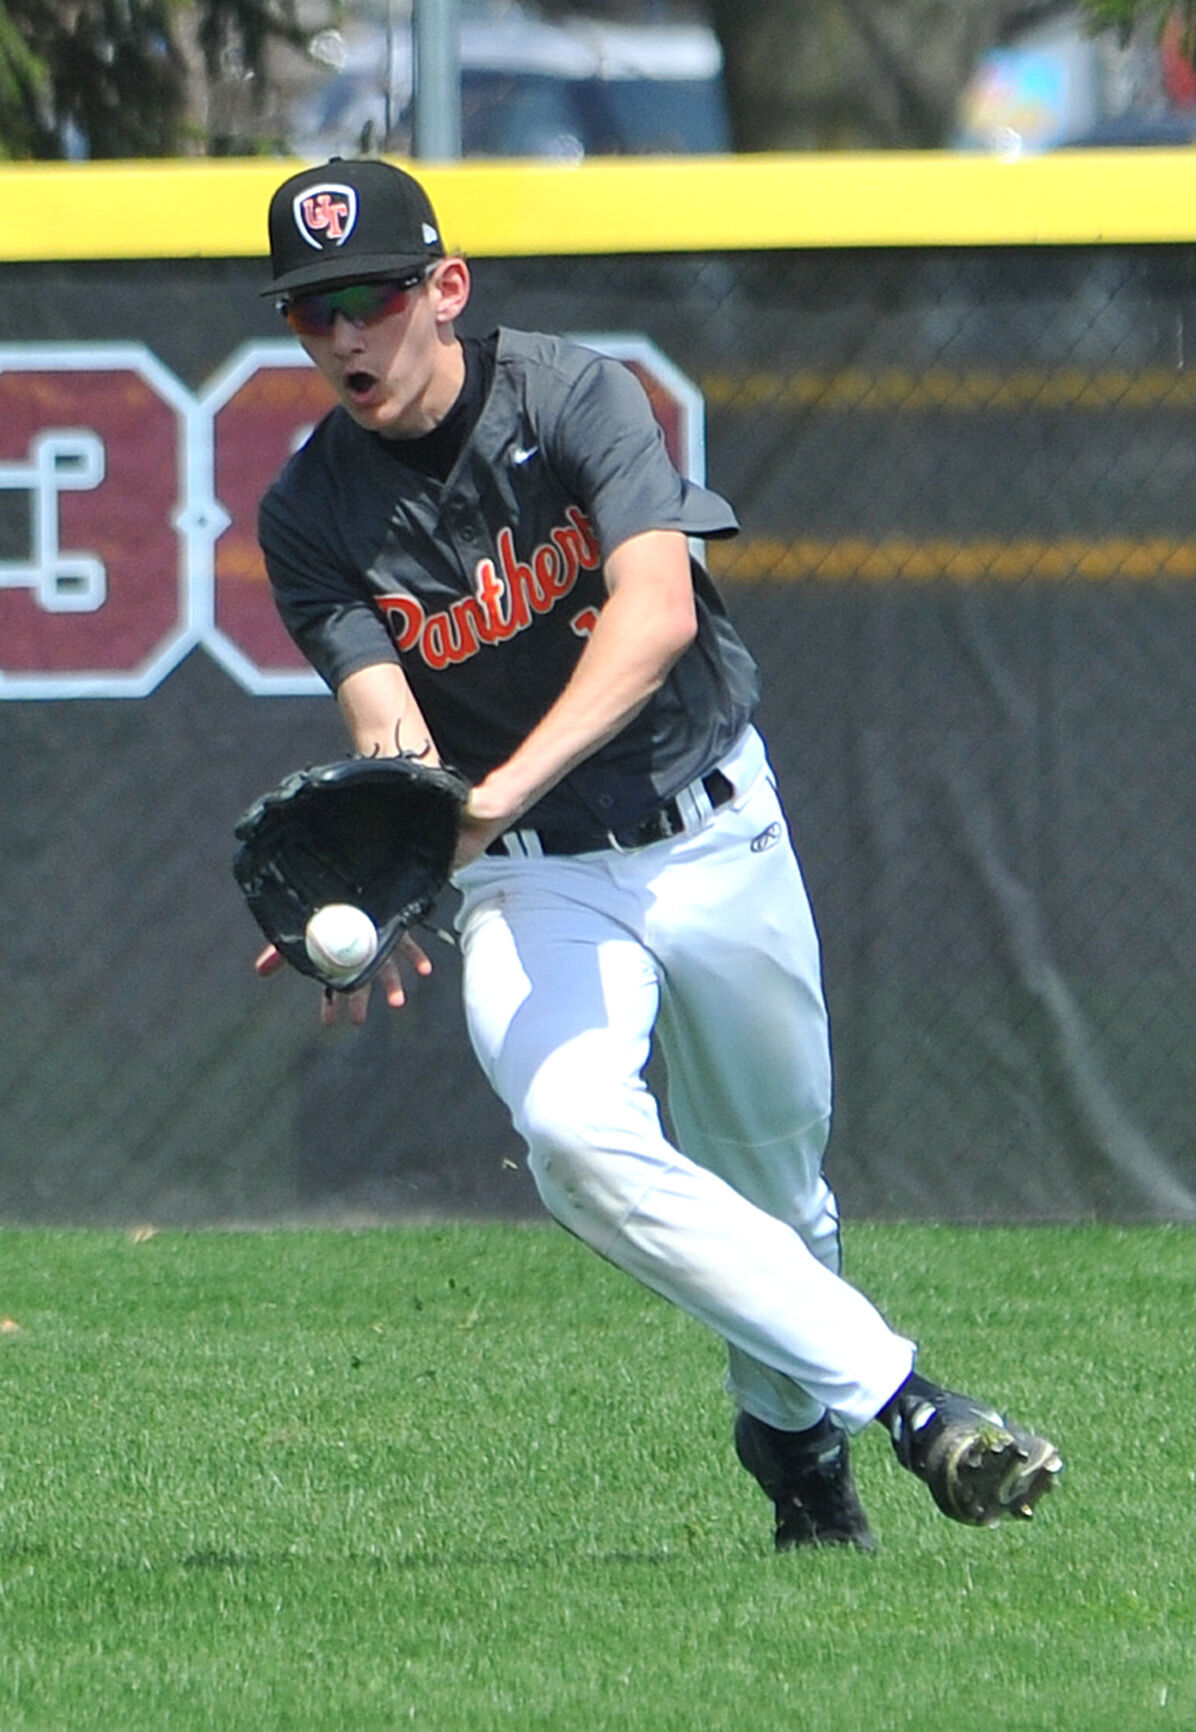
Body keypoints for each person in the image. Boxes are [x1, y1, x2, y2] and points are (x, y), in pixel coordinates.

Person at [253, 156, 1062, 1551]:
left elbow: (656, 618)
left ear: (445, 289)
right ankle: (916, 1408)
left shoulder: (573, 394)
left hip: (715, 829)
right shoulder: (309, 511)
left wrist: (490, 790)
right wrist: (376, 865)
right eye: (311, 309)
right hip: (536, 878)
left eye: (370, 297)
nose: (342, 336)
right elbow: (389, 723)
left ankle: (792, 1449)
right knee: (571, 1132)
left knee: (776, 1190)